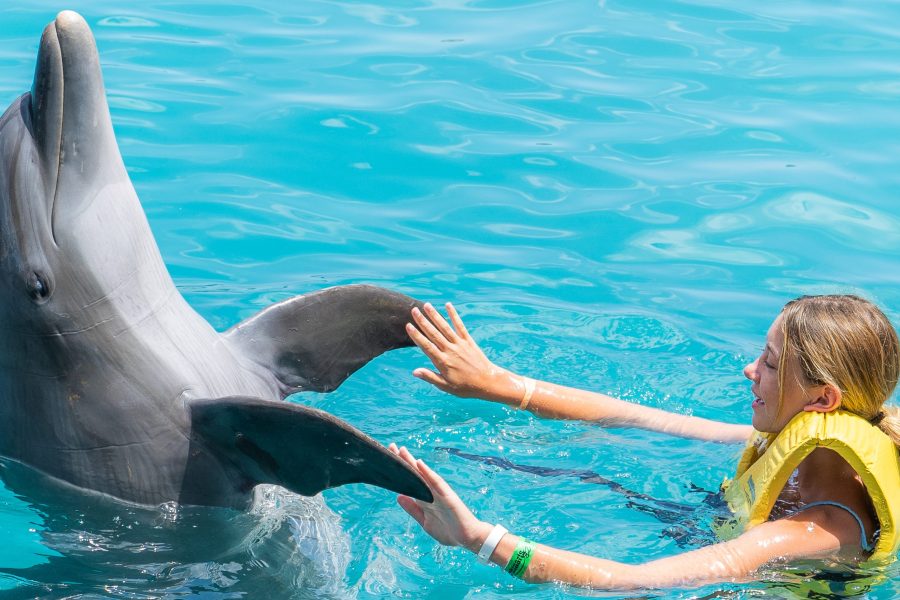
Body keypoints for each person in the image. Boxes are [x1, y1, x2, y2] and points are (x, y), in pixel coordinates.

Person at [388, 294, 900, 590]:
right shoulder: (790, 447)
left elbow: (635, 580)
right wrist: (501, 384)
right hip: (713, 536)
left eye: (768, 362)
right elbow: (633, 417)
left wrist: (480, 539)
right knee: (579, 473)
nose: (749, 370)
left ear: (822, 400)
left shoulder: (815, 532)